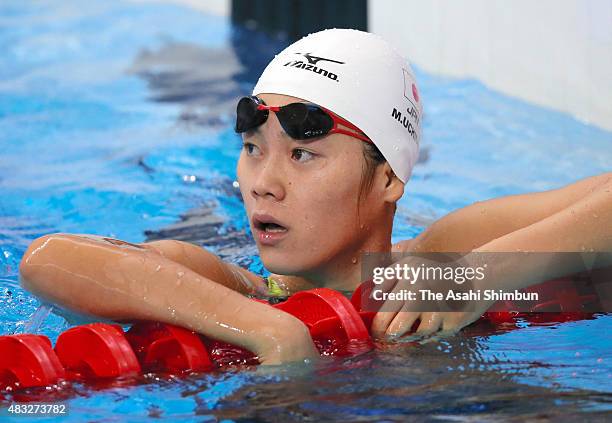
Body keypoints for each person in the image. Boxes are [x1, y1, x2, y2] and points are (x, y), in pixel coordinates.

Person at [19, 29, 612, 365]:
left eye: (302, 154)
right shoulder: (227, 287)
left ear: (388, 178)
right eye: (252, 148)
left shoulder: (443, 253)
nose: (261, 183)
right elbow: (48, 261)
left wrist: (478, 278)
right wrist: (268, 328)